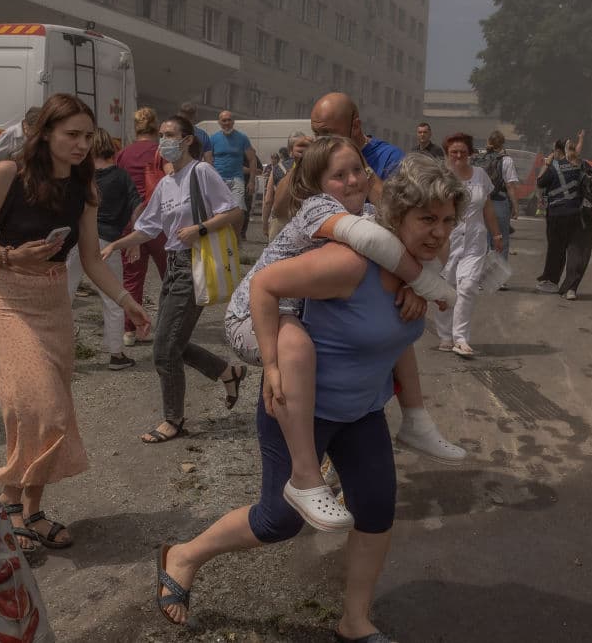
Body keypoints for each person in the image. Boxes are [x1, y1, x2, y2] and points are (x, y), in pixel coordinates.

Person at [153, 153, 467, 642]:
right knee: (277, 522)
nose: (439, 232)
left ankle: (355, 622)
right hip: (301, 411)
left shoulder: (418, 270)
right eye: (427, 219)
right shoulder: (349, 262)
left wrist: (419, 290)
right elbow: (264, 284)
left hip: (362, 413)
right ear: (397, 215)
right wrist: (273, 363)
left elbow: (398, 336)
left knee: (377, 510)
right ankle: (184, 555)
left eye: (447, 221)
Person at [224, 139, 456, 531]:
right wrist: (272, 366)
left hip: (293, 307)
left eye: (357, 171)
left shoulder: (367, 212)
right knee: (296, 346)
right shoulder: (318, 208)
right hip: (254, 313)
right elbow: (376, 243)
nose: (352, 181)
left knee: (390, 321)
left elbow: (400, 250)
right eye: (338, 175)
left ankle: (416, 418)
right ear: (316, 184)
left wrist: (412, 287)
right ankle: (305, 477)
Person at [0, 93, 151, 550]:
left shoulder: (85, 188)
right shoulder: (9, 173)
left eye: (87, 136)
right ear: (45, 133)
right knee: (36, 406)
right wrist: (10, 255)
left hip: (53, 300)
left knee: (52, 410)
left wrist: (128, 301)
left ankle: (31, 508)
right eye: (72, 135)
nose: (82, 144)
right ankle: (10, 500)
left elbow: (91, 259)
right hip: (8, 296)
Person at [298, 93, 466, 463]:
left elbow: (407, 218)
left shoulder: (388, 159)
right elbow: (283, 207)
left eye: (328, 132)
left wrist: (416, 282)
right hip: (322, 277)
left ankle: (413, 420)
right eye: (316, 132)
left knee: (390, 332)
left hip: (376, 273)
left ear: (355, 125)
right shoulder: (319, 158)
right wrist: (306, 165)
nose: (320, 139)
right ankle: (311, 467)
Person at [101, 115, 248, 445]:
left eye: (170, 135)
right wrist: (116, 245)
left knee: (165, 349)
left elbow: (234, 211)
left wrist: (200, 228)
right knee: (171, 343)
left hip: (194, 265)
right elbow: (148, 228)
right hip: (173, 267)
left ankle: (174, 420)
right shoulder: (167, 183)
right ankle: (227, 372)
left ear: (187, 140)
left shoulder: (201, 172)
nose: (164, 141)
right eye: (161, 135)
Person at [65, 128, 142, 370]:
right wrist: (135, 239)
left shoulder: (79, 174)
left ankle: (59, 351)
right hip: (107, 243)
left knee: (64, 295)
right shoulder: (121, 176)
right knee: (113, 299)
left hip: (76, 239)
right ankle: (116, 354)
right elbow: (137, 207)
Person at [435, 132, 504, 356]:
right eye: (453, 152)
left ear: (470, 153)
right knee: (447, 290)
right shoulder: (440, 177)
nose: (458, 156)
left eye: (462, 152)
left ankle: (460, 338)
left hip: (475, 241)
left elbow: (488, 208)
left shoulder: (480, 175)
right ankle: (445, 335)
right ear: (447, 154)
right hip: (447, 241)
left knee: (467, 287)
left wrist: (497, 235)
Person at [116, 107, 165, 348]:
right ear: (156, 126)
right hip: (159, 223)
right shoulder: (161, 152)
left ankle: (129, 330)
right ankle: (167, 328)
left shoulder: (123, 154)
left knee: (132, 279)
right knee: (171, 277)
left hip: (131, 225)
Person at [536, 138, 592, 300]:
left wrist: (547, 163)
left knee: (556, 249)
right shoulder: (582, 165)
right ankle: (571, 288)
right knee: (576, 251)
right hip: (578, 215)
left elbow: (540, 182)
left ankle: (551, 282)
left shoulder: (554, 167)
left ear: (558, 151)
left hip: (557, 215)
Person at [472, 130, 520, 265]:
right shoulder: (506, 160)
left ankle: (480, 273)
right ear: (503, 143)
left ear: (489, 142)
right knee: (501, 239)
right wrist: (515, 206)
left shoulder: (480, 158)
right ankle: (499, 274)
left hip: (481, 203)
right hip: (499, 202)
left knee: (483, 241)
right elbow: (510, 186)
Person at [212, 110, 258, 234]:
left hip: (236, 179)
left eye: (229, 120)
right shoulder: (213, 138)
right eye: (224, 120)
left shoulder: (242, 138)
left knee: (239, 209)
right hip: (218, 180)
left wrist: (252, 181)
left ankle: (237, 237)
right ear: (219, 122)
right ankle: (221, 236)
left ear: (233, 121)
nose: (227, 123)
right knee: (218, 210)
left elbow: (252, 159)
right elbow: (208, 160)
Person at [265, 131, 311, 240]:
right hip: (306, 220)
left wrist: (265, 223)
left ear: (289, 150)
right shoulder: (314, 168)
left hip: (281, 222)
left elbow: (268, 200)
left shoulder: (277, 168)